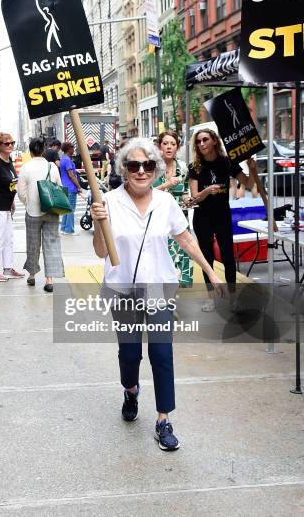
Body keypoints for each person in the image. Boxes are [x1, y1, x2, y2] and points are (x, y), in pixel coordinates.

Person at [91, 137, 223, 451]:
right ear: (124, 168)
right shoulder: (107, 201)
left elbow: (187, 241)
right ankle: (131, 389)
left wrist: (210, 271)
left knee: (162, 355)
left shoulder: (166, 204)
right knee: (130, 354)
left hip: (159, 288)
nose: (141, 171)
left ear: (155, 168)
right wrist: (99, 223)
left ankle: (164, 420)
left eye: (147, 165)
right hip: (122, 290)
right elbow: (100, 251)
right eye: (134, 165)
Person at [188, 128, 256, 310]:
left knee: (227, 255)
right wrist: (207, 191)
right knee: (207, 257)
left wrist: (251, 168)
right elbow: (194, 197)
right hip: (203, 217)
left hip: (222, 215)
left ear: (214, 141)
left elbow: (248, 184)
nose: (201, 144)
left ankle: (233, 298)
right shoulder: (195, 166)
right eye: (198, 141)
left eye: (204, 140)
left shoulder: (227, 162)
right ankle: (211, 298)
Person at [18, 138, 64, 292]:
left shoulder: (26, 168)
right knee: (51, 243)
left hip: (33, 212)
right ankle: (49, 280)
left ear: (30, 152)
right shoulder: (52, 167)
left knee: (33, 243)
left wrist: (29, 203)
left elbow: (21, 193)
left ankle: (31, 275)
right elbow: (59, 187)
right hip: (51, 210)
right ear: (43, 150)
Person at [154, 130, 193, 287]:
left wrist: (188, 200)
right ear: (159, 147)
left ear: (177, 147)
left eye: (173, 144)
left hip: (179, 216)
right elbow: (145, 193)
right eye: (165, 144)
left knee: (183, 249)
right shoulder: (152, 167)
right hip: (158, 217)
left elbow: (184, 191)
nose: (169, 147)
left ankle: (178, 284)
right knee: (163, 252)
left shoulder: (183, 168)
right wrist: (166, 185)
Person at [0, 133, 24, 282]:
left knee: (8, 238)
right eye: (6, 143)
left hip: (7, 207)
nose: (10, 145)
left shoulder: (9, 162)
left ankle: (8, 268)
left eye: (11, 143)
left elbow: (10, 184)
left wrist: (12, 202)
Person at [59, 142, 82, 235]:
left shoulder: (62, 159)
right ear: (69, 149)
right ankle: (69, 229)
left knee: (66, 208)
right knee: (71, 209)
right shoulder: (68, 160)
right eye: (73, 148)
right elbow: (71, 175)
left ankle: (64, 228)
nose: (74, 150)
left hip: (64, 186)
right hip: (71, 188)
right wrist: (78, 186)